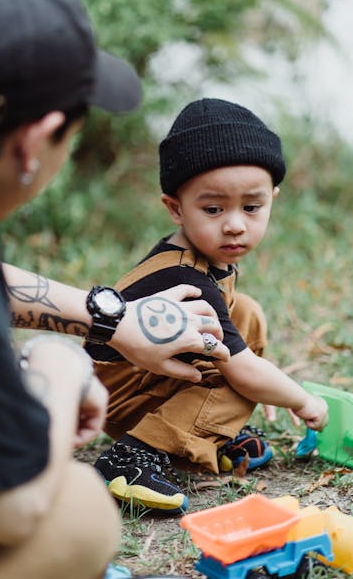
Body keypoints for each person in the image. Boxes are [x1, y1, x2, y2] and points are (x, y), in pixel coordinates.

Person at [0, 0, 225, 579]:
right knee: (76, 513)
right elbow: (9, 508)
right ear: (36, 139)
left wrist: (111, 318)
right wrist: (58, 369)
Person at [88, 98, 329, 515]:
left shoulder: (209, 256)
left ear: (272, 198)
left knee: (246, 312)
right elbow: (246, 371)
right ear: (176, 208)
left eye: (251, 207)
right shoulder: (183, 275)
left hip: (149, 379)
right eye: (213, 209)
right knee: (237, 380)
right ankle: (130, 457)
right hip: (120, 393)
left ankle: (208, 434)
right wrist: (302, 399)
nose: (235, 223)